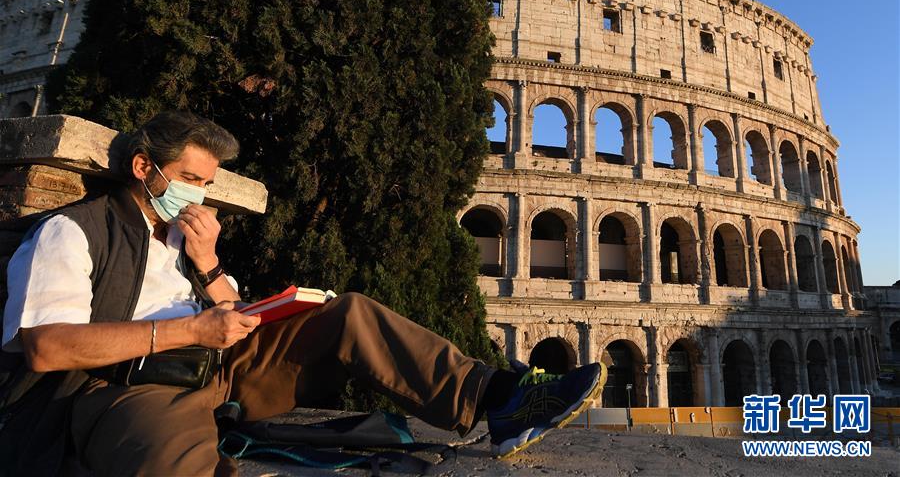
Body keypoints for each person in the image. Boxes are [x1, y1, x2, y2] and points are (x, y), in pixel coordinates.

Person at [0, 110, 605, 476]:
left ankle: (498, 400)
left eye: (206, 184)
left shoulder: (180, 235)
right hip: (128, 388)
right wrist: (190, 332)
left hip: (217, 364)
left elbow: (223, 311)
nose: (199, 196)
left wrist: (209, 267)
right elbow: (46, 348)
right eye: (188, 180)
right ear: (142, 168)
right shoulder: (72, 230)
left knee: (348, 315)